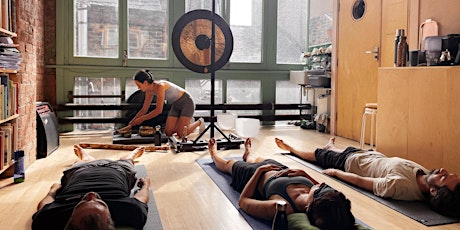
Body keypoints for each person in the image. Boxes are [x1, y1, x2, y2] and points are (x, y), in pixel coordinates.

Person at [275, 137, 460, 217]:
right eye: (448, 173)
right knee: (335, 150)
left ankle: (292, 149)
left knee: (315, 155)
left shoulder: (400, 186)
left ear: (433, 191)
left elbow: (362, 182)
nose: (442, 170)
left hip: (349, 163)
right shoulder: (427, 176)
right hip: (367, 156)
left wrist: (336, 173)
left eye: (444, 177)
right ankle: (330, 147)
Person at [208, 138, 356, 230]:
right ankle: (248, 154)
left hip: (254, 176)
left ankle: (214, 154)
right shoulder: (321, 197)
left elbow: (243, 201)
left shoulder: (283, 206)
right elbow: (320, 186)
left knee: (229, 164)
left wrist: (259, 172)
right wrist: (304, 174)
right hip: (278, 169)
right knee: (257, 158)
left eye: (318, 191)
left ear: (309, 206)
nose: (320, 186)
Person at [32, 145, 150, 230]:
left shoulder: (50, 218)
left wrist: (53, 190)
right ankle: (132, 154)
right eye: (101, 202)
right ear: (111, 218)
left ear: (70, 219)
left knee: (86, 161)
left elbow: (43, 207)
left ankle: (85, 156)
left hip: (81, 171)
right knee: (127, 160)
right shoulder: (130, 211)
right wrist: (145, 185)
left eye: (82, 203)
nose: (92, 194)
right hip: (118, 170)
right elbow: (141, 199)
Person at [120, 69, 205, 137]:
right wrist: (130, 124)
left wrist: (141, 119)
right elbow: (144, 110)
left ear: (145, 83)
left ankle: (199, 122)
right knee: (168, 132)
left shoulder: (160, 86)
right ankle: (185, 124)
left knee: (181, 134)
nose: (138, 88)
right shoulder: (149, 91)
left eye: (139, 85)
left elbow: (158, 110)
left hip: (187, 102)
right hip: (176, 104)